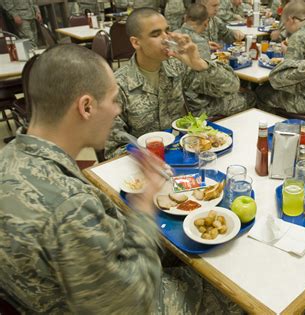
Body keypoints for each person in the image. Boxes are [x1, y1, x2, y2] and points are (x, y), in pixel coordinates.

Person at [0, 44, 236, 314]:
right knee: (230, 287)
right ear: (86, 107)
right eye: (113, 100)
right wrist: (145, 202)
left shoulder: (10, 156)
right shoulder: (69, 205)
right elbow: (134, 302)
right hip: (127, 302)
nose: (116, 111)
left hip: (60, 292)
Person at [105, 8, 241, 158]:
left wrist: (199, 63)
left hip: (185, 154)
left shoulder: (176, 66)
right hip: (147, 166)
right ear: (136, 42)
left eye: (167, 31)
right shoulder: (117, 87)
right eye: (156, 34)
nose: (165, 39)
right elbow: (113, 151)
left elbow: (232, 86)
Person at [176, 4, 256, 118]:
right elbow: (209, 84)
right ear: (206, 23)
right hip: (200, 108)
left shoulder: (175, 37)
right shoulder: (198, 43)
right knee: (251, 96)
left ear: (185, 18)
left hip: (181, 105)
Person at [257, 0, 305, 114]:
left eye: (284, 23)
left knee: (262, 91)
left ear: (291, 19)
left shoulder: (297, 37)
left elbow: (283, 78)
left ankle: (274, 123)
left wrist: (288, 52)